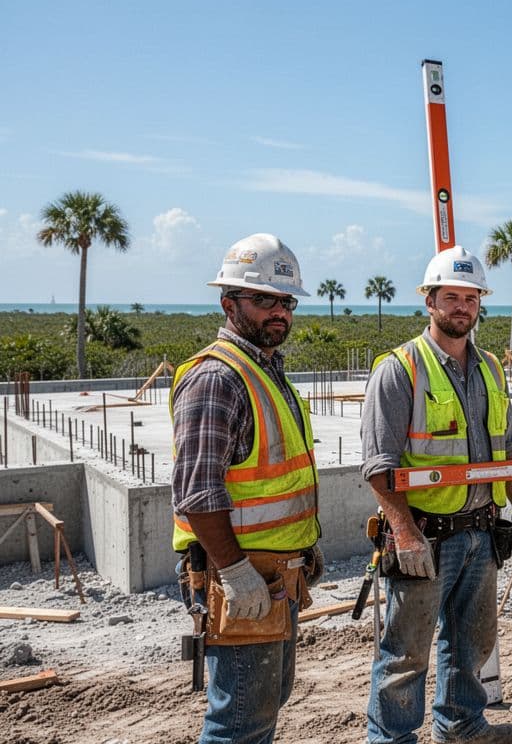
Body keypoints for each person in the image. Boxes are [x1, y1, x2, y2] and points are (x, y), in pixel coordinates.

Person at [362, 245, 512, 744]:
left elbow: (509, 448)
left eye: (470, 297)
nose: (462, 306)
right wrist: (404, 532)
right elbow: (379, 466)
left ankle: (461, 726)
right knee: (406, 653)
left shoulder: (492, 370)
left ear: (480, 303)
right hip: (426, 539)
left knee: (472, 642)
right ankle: (392, 739)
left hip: (482, 531)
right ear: (429, 302)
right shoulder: (400, 368)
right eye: (451, 297)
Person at [170, 233, 323, 744]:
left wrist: (303, 549)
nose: (278, 312)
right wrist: (235, 572)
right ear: (229, 303)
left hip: (276, 573)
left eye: (286, 301)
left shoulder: (266, 370)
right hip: (243, 575)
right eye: (263, 300)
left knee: (263, 704)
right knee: (239, 722)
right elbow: (196, 491)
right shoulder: (218, 378)